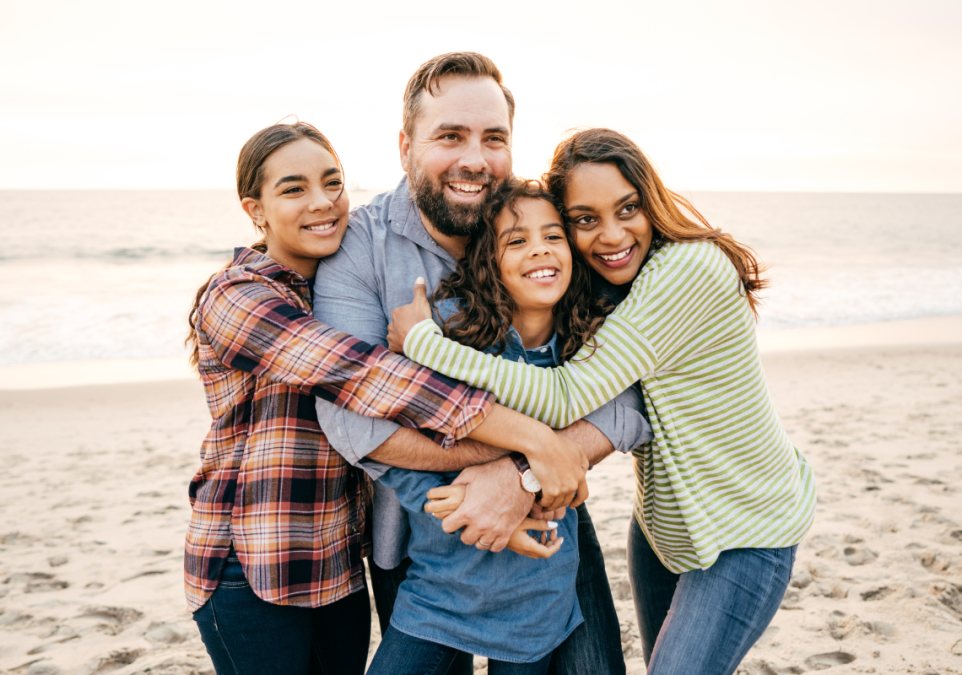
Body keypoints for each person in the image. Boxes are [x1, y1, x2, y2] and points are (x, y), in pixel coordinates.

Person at [389, 128, 817, 675]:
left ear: (651, 202)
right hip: (665, 529)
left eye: (628, 208)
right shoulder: (616, 284)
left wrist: (426, 343)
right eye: (586, 220)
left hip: (747, 527)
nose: (612, 235)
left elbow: (566, 395)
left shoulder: (688, 270)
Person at [184, 121, 589, 675]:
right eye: (294, 189)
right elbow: (365, 376)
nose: (323, 202)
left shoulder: (332, 279)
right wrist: (533, 444)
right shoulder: (238, 297)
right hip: (253, 562)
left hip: (338, 560)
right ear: (255, 209)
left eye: (332, 182)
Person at [313, 53, 651, 675]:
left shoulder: (546, 235)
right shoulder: (358, 248)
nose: (475, 158)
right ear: (405, 144)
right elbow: (354, 419)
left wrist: (521, 477)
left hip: (549, 523)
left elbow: (628, 395)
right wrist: (524, 454)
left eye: (493, 138)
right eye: (450, 136)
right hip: (420, 545)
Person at [367, 179, 611, 675]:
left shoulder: (589, 351)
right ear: (488, 262)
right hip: (440, 588)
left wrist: (532, 491)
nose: (539, 248)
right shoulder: (454, 335)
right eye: (516, 240)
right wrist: (455, 510)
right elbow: (397, 448)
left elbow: (579, 465)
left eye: (553, 236)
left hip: (536, 593)